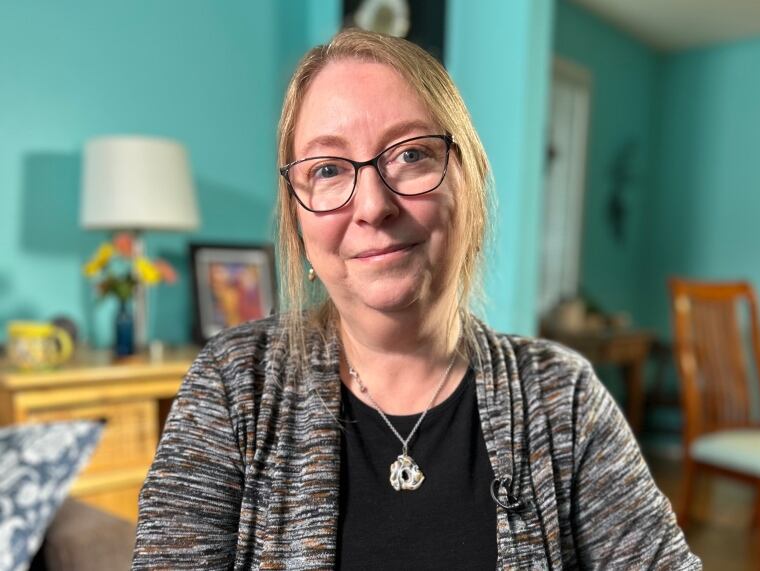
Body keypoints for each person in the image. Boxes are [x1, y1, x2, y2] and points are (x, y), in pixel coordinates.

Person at [132, 29, 701, 570]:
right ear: (298, 220)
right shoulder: (234, 388)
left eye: (410, 155)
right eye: (328, 169)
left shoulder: (564, 401)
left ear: (469, 184)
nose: (373, 206)